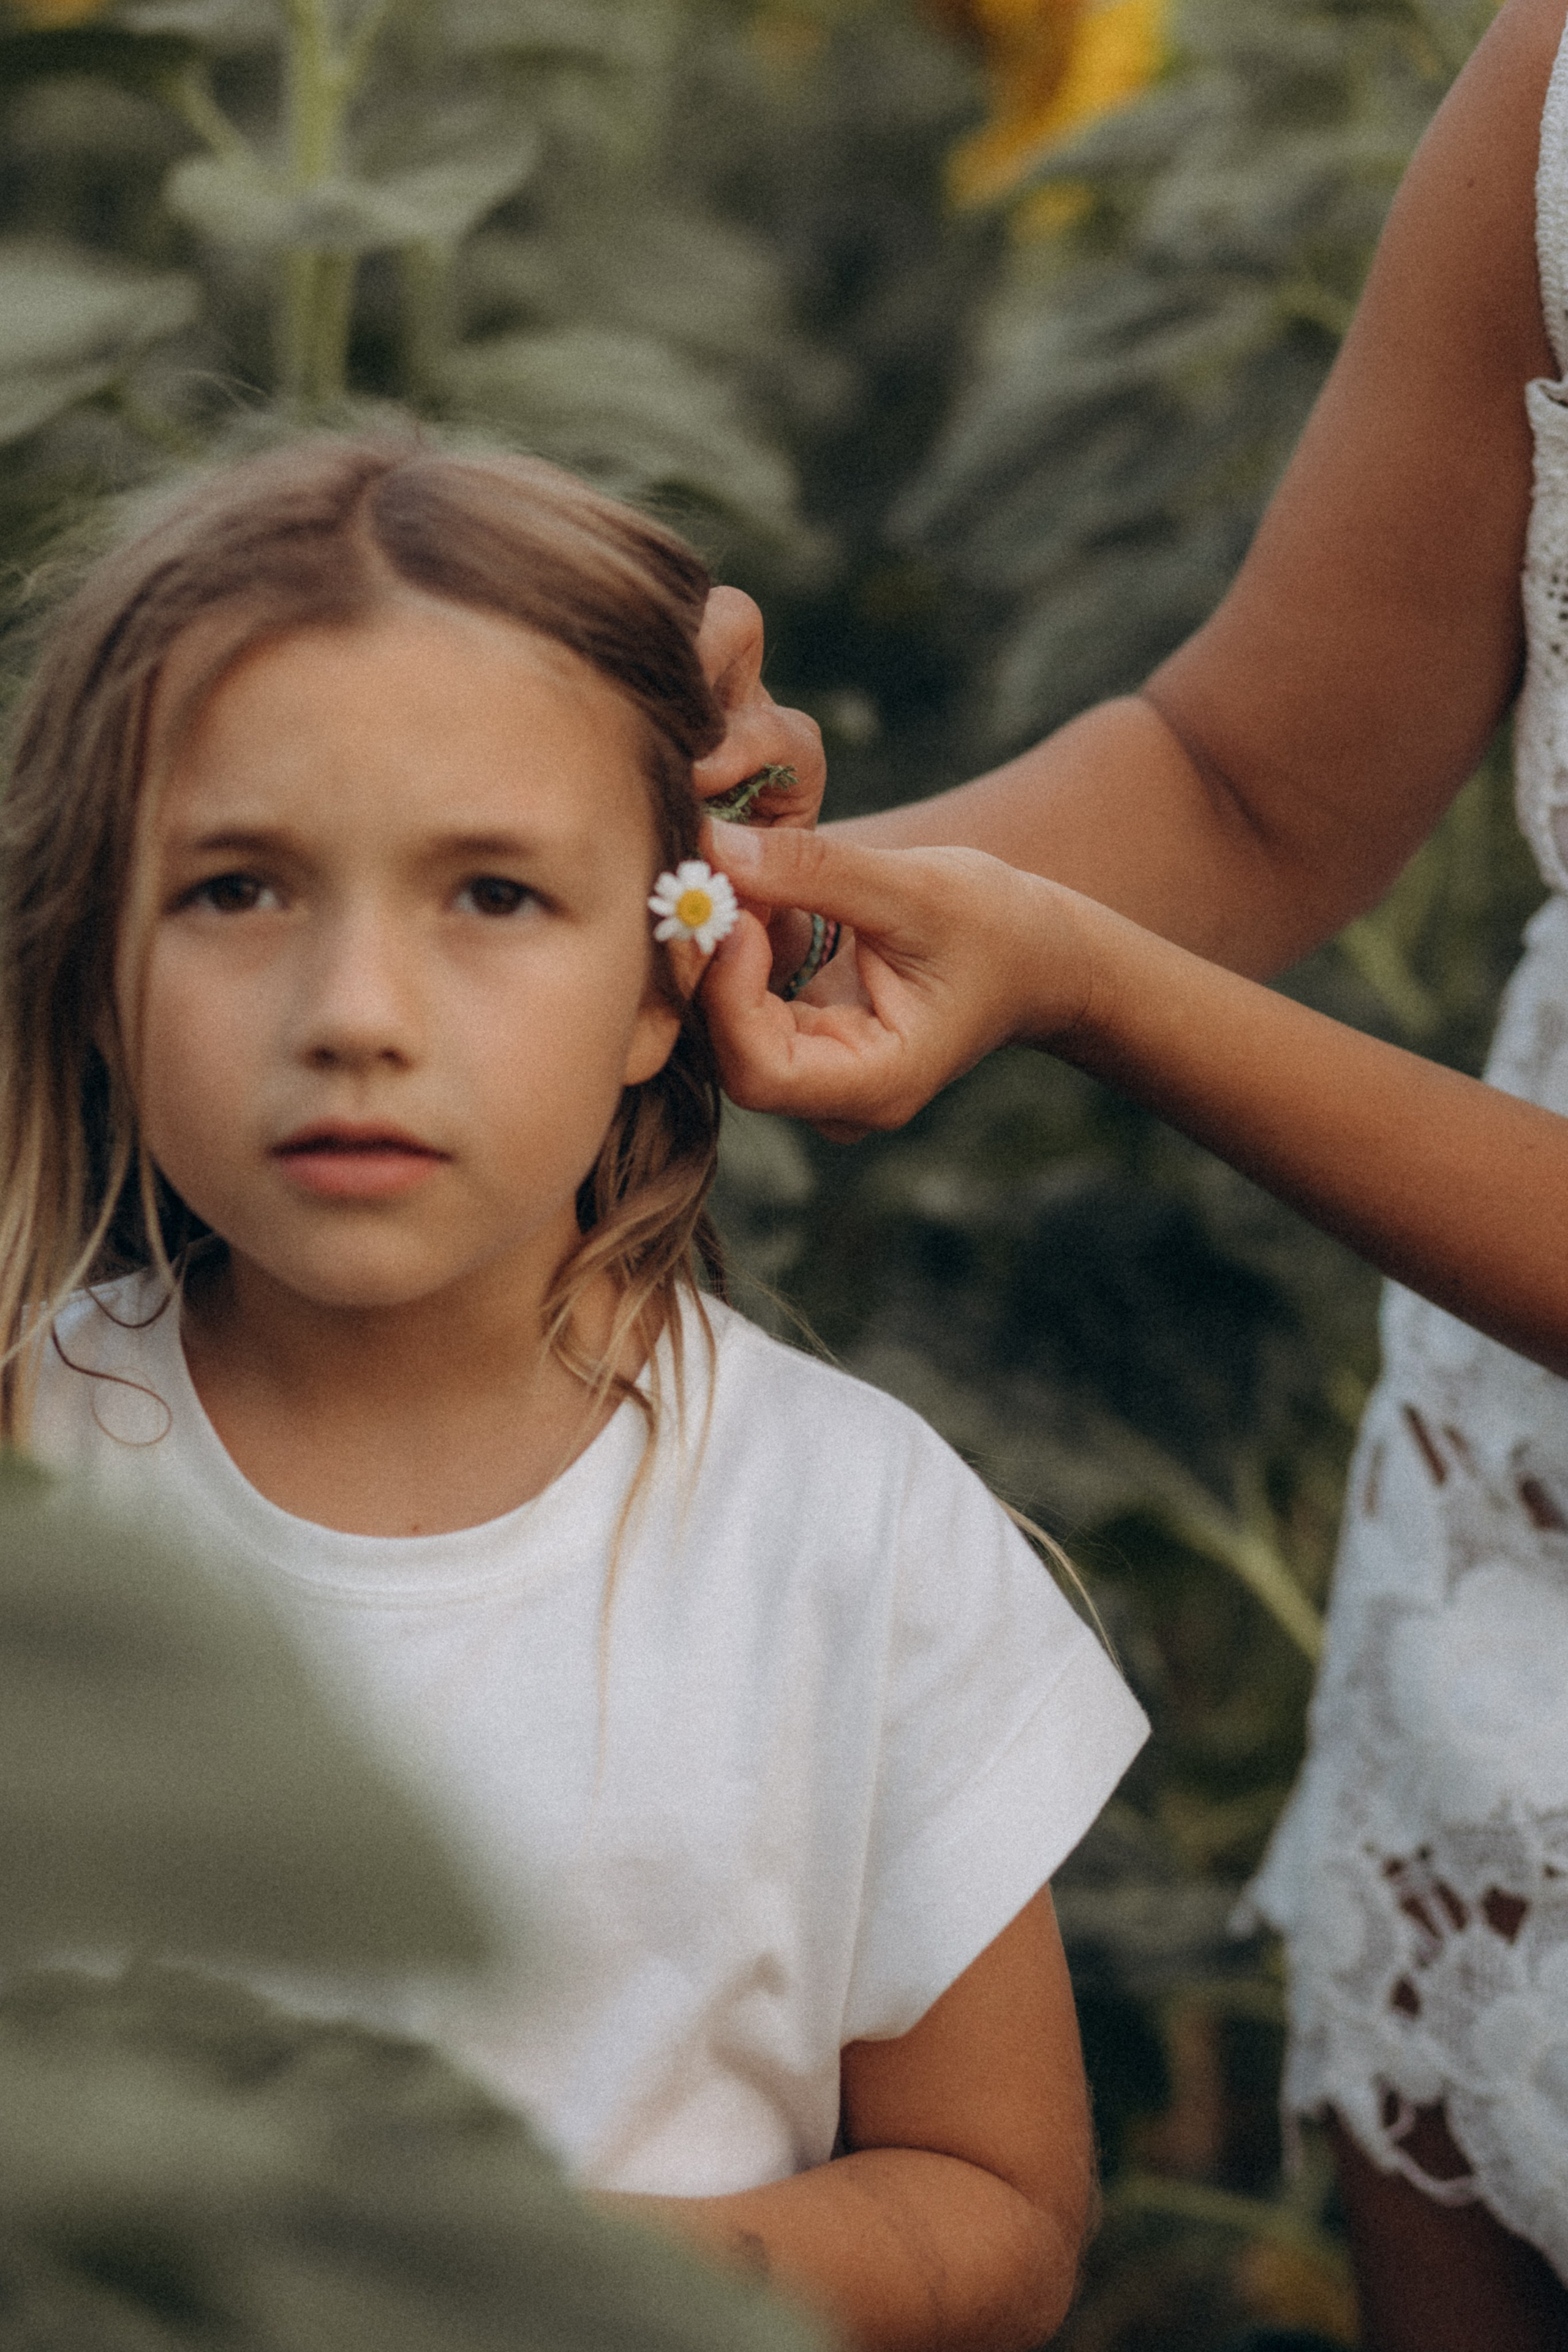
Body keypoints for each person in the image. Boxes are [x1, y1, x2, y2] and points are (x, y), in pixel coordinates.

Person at [0, 431, 1149, 2352]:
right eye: (237, 888)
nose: (355, 1012)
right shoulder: (31, 1478)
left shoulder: (839, 1530)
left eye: (494, 894)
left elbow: (999, 2210)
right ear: (96, 961)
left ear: (661, 977)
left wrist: (535, 2284)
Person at [684, 0, 1568, 2342]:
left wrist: (1081, 983)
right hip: (1520, 1576)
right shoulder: (1561, 90)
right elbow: (1245, 783)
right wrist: (682, 912)